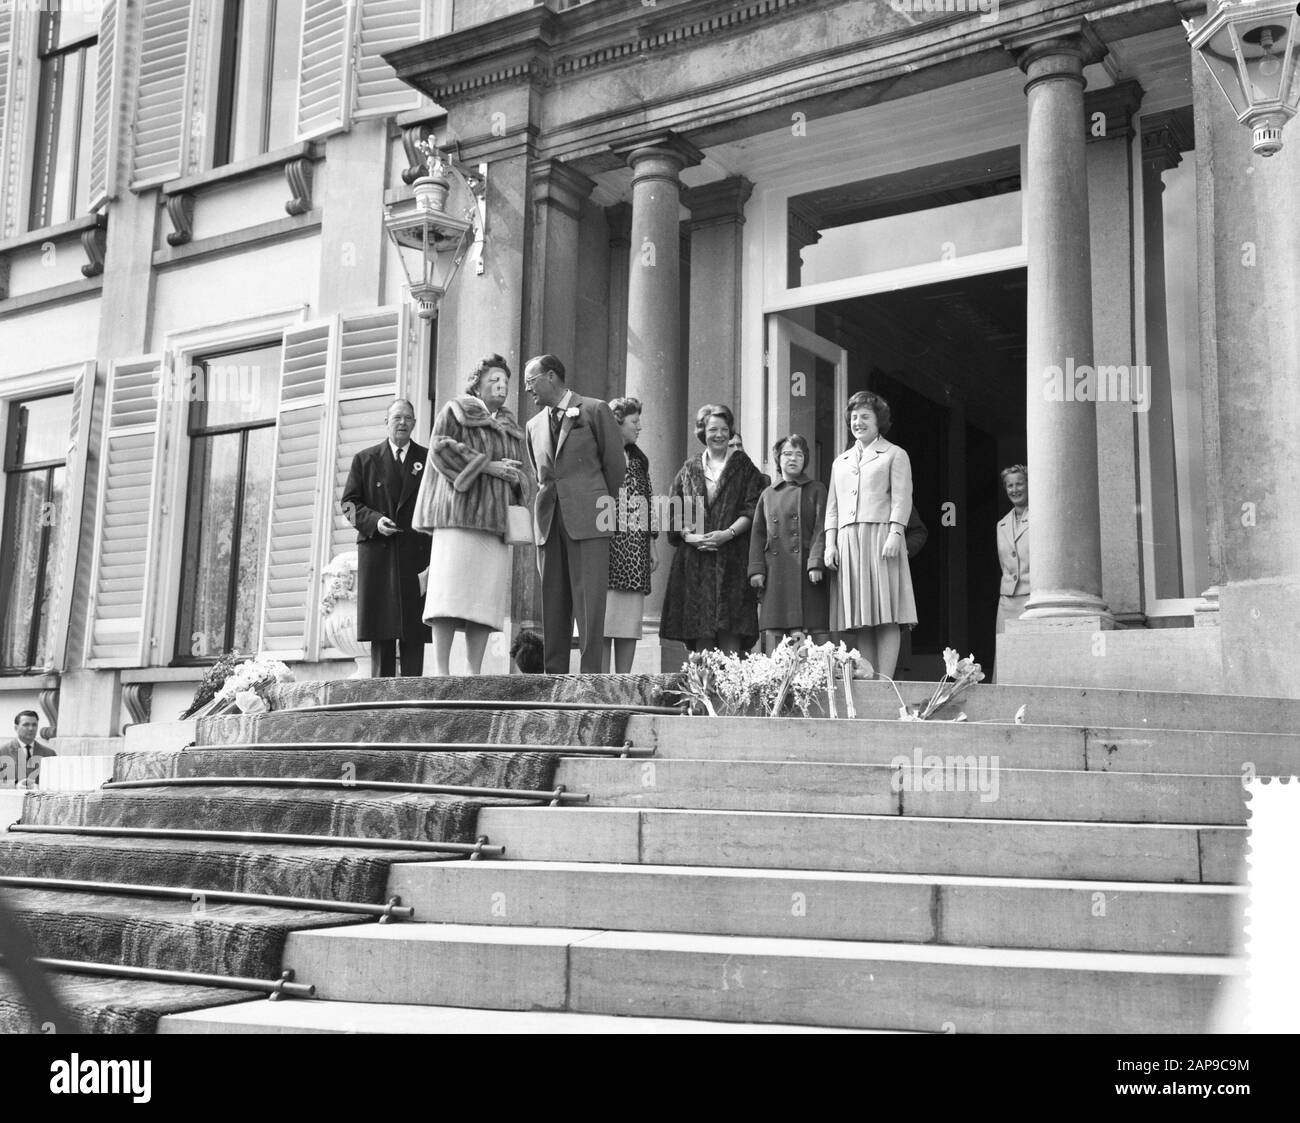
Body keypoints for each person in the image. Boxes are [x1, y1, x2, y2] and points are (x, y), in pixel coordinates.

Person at [413, 355, 533, 676]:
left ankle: (473, 670)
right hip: (458, 517)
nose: (501, 386)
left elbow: (526, 474)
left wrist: (516, 478)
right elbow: (439, 448)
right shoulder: (455, 410)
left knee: (482, 600)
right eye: (494, 379)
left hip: (494, 523)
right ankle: (440, 670)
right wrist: (489, 466)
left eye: (505, 381)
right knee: (449, 594)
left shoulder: (512, 429)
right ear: (477, 382)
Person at [523, 354, 626, 675]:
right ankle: (553, 675)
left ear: (551, 376)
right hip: (549, 521)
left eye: (531, 381)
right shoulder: (533, 425)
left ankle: (591, 675)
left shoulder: (595, 410)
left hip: (590, 519)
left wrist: (595, 503)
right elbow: (541, 475)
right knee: (553, 602)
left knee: (589, 603)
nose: (528, 390)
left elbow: (616, 467)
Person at [824, 390, 917, 680]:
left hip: (881, 539)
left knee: (886, 611)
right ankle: (867, 675)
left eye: (865, 416)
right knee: (861, 616)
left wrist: (895, 533)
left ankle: (885, 680)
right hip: (848, 541)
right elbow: (833, 507)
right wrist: (830, 543)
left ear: (879, 421)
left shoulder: (894, 454)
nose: (858, 422)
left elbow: (902, 499)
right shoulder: (840, 461)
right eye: (853, 417)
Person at [661, 404, 768, 655]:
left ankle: (730, 691)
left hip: (732, 559)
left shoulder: (744, 467)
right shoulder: (689, 468)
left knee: (730, 632)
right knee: (701, 634)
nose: (719, 435)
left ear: (731, 432)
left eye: (724, 429)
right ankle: (702, 691)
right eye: (712, 429)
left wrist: (727, 534)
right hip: (695, 562)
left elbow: (753, 509)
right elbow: (675, 510)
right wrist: (690, 536)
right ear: (702, 432)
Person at [342, 399, 432, 677]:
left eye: (408, 418)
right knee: (382, 632)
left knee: (413, 633)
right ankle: (381, 699)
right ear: (387, 423)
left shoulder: (428, 459)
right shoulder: (365, 459)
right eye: (397, 418)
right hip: (379, 555)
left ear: (415, 424)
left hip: (415, 554)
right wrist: (375, 521)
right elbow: (348, 504)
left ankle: (414, 702)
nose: (402, 423)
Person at [748, 434, 829, 646]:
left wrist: (816, 562)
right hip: (776, 570)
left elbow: (822, 528)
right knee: (776, 630)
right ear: (778, 458)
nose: (793, 459)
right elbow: (758, 534)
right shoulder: (768, 494)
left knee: (813, 630)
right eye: (787, 454)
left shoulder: (816, 489)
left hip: (807, 572)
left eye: (799, 454)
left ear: (805, 459)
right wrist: (757, 569)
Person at [603, 397, 658, 673]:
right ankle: (599, 681)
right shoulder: (599, 453)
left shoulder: (638, 460)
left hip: (635, 552)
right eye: (634, 422)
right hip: (605, 546)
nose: (640, 427)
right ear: (618, 422)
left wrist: (652, 545)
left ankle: (623, 680)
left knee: (628, 622)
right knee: (602, 620)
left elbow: (647, 501)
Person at [995, 464, 1030, 634]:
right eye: (1010, 485)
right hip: (1007, 601)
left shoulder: (1040, 517)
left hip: (1032, 598)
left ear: (1029, 484)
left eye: (1019, 484)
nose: (1014, 489)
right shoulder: (1001, 525)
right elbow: (1004, 564)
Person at [0, 710, 55, 789]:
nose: (31, 728)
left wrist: (40, 787)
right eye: (26, 725)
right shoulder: (2, 752)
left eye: (34, 725)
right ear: (16, 728)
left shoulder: (49, 753)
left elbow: (55, 781)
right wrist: (15, 785)